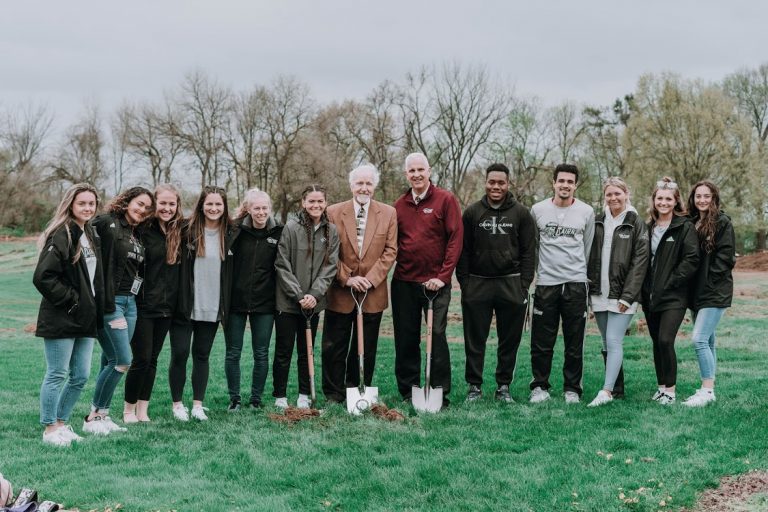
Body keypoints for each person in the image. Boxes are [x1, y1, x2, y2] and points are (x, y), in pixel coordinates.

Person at [457, 163, 535, 403]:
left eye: (501, 183)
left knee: (509, 340)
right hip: (478, 284)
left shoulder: (521, 214)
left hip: (510, 284)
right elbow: (463, 251)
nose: (496, 187)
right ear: (486, 183)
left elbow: (529, 252)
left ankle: (503, 387)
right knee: (474, 339)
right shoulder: (472, 213)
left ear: (508, 184)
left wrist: (523, 285)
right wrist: (465, 284)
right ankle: (474, 387)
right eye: (492, 182)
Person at [33, 183, 104, 446]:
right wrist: (72, 301)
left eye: (91, 203)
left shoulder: (90, 234)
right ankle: (50, 429)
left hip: (85, 319)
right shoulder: (61, 234)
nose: (87, 208)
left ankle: (62, 423)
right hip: (62, 317)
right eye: (82, 203)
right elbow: (43, 276)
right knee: (57, 373)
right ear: (70, 205)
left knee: (81, 375)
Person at [322, 164, 397, 404]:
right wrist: (347, 278)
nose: (363, 188)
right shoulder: (333, 212)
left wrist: (370, 279)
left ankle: (355, 388)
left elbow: (390, 250)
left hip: (372, 292)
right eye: (359, 183)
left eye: (368, 183)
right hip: (341, 291)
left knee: (365, 347)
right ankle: (333, 394)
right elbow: (328, 251)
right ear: (351, 185)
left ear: (374, 186)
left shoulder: (388, 213)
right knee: (335, 346)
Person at [392, 153, 463, 407]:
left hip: (436, 284)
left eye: (421, 169)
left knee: (437, 335)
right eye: (411, 171)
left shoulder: (445, 199)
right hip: (404, 281)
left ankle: (438, 391)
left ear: (429, 171)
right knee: (406, 337)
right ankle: (408, 390)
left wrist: (443, 277)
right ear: (406, 174)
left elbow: (455, 240)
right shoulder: (399, 205)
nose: (416, 174)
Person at [85, 186, 153, 434]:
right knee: (122, 360)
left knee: (109, 359)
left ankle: (103, 414)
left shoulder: (136, 233)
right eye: (139, 203)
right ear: (127, 201)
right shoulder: (106, 222)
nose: (142, 210)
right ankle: (92, 417)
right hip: (110, 303)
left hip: (130, 304)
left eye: (147, 208)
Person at [529, 164, 595, 404]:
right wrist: (541, 273)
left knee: (574, 341)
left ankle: (572, 389)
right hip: (547, 284)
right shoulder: (537, 210)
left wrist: (579, 274)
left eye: (570, 181)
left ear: (575, 185)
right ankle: (539, 386)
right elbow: (534, 247)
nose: (565, 185)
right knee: (541, 341)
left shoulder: (586, 211)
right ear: (554, 183)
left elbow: (587, 248)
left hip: (576, 284)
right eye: (561, 181)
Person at [170, 186, 233, 421]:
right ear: (201, 205)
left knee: (201, 355)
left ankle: (197, 404)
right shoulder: (186, 230)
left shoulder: (231, 233)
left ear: (224, 207)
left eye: (218, 204)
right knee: (180, 354)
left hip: (213, 306)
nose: (214, 208)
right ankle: (177, 405)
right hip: (185, 306)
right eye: (209, 204)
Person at [274, 184, 340, 408]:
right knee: (284, 351)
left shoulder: (331, 231)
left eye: (320, 201)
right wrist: (299, 295)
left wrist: (313, 295)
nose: (316, 205)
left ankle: (304, 394)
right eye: (311, 201)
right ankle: (280, 396)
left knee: (307, 351)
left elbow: (330, 267)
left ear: (326, 203)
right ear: (303, 203)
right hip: (288, 302)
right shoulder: (291, 228)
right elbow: (282, 265)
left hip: (313, 304)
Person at [586, 177, 649, 407]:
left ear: (626, 193)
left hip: (623, 295)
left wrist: (628, 295)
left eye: (617, 194)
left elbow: (640, 262)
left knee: (614, 340)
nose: (613, 198)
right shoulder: (598, 220)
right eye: (609, 194)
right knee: (605, 341)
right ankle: (618, 389)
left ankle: (607, 391)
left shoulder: (636, 222)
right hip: (599, 292)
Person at [123, 184, 183, 422]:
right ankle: (128, 409)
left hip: (167, 308)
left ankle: (142, 410)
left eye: (172, 204)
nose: (167, 208)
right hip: (143, 305)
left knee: (154, 359)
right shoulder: (142, 230)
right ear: (154, 204)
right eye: (163, 203)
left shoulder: (178, 231)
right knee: (141, 359)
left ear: (177, 206)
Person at [641, 177, 699, 405]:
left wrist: (672, 281)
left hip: (674, 295)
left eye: (668, 199)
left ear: (676, 202)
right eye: (659, 198)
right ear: (654, 201)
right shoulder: (648, 228)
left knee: (666, 340)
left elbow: (692, 259)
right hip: (650, 295)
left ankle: (671, 392)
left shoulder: (684, 227)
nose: (663, 202)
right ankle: (661, 387)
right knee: (656, 342)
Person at [224, 189, 283, 411]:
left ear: (270, 208)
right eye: (256, 208)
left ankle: (256, 399)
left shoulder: (279, 232)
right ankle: (235, 399)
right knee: (233, 352)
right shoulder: (235, 230)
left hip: (265, 303)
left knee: (261, 352)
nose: (261, 212)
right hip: (235, 302)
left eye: (264, 208)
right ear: (249, 209)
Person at [682, 180, 735, 406]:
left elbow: (725, 258)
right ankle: (708, 388)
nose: (702, 200)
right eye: (698, 196)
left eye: (707, 196)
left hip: (714, 291)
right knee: (709, 340)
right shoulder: (692, 222)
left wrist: (709, 282)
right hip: (696, 293)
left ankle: (707, 390)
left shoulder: (722, 222)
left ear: (714, 198)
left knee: (699, 339)